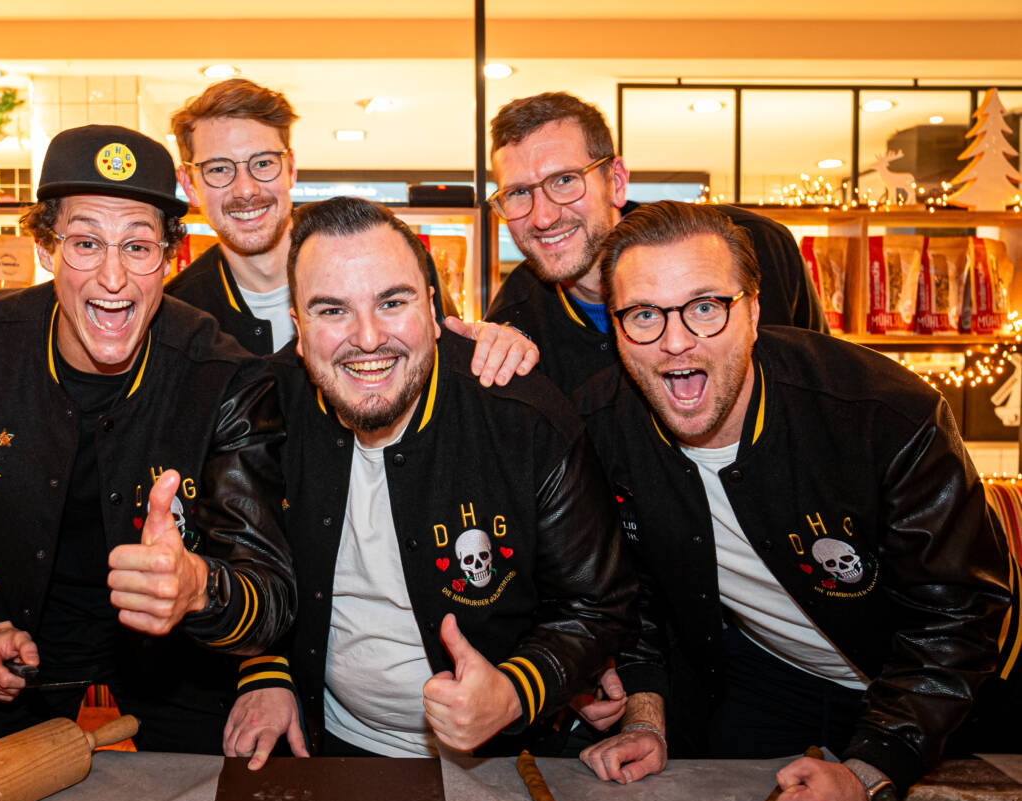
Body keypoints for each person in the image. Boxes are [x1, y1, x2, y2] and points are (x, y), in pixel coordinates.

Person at [574, 199, 1012, 801]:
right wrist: (646, 715)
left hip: (957, 692)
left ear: (753, 310)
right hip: (772, 677)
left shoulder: (882, 414)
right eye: (643, 314)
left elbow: (960, 614)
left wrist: (871, 770)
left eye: (704, 306)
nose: (673, 340)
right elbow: (630, 589)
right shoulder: (603, 423)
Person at [223, 197, 642, 765]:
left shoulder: (523, 415)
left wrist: (517, 692)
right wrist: (266, 669)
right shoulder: (266, 409)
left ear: (434, 310)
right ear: (298, 330)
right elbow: (255, 565)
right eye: (331, 311)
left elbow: (597, 604)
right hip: (334, 749)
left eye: (392, 302)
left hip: (511, 759)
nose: (368, 338)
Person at [0, 125, 294, 751]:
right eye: (86, 243)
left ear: (170, 256)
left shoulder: (224, 377)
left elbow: (272, 588)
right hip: (26, 648)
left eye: (138, 247)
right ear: (44, 247)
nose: (114, 278)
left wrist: (200, 586)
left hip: (182, 658)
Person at [166, 79, 535, 385]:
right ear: (190, 182)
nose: (245, 190)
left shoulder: (386, 254)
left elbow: (449, 365)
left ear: (291, 168)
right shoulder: (177, 315)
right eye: (218, 169)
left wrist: (494, 342)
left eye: (263, 163)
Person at [485, 92, 825, 398]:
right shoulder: (515, 323)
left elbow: (823, 391)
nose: (543, 217)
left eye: (564, 180)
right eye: (518, 193)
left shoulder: (754, 248)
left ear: (615, 182)